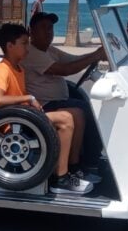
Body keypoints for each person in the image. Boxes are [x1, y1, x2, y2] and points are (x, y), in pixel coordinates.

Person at [0, 23, 93, 195]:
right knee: (66, 119)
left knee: (72, 114)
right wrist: (29, 98)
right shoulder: (3, 69)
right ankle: (61, 178)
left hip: (22, 116)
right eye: (23, 43)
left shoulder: (19, 68)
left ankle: (66, 167)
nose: (27, 48)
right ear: (10, 46)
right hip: (12, 123)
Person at [22, 11, 104, 183]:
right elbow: (65, 70)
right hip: (44, 105)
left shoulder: (49, 50)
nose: (49, 32)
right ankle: (84, 163)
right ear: (31, 31)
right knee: (82, 111)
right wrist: (95, 55)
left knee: (85, 105)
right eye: (43, 28)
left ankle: (84, 162)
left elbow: (73, 60)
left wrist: (96, 55)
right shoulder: (32, 52)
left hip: (58, 101)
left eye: (51, 28)